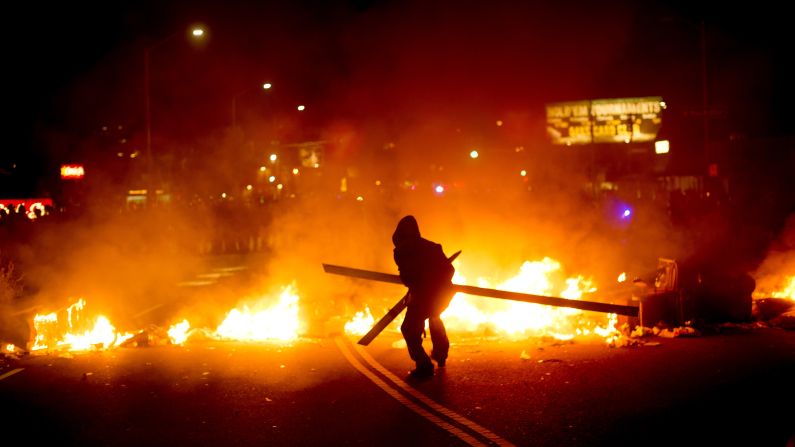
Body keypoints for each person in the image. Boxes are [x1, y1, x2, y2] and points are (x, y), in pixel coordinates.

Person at [392, 215, 455, 379]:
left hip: (426, 296)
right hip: (442, 294)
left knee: (409, 328)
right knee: (434, 315)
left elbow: (407, 278)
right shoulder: (433, 247)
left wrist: (426, 283)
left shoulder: (401, 252)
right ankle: (441, 354)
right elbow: (450, 270)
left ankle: (424, 365)